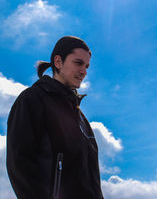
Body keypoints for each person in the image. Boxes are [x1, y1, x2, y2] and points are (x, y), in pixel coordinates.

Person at [6, 36, 104, 199]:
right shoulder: (32, 99)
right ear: (58, 62)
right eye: (78, 63)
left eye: (87, 66)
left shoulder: (81, 119)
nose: (84, 72)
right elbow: (19, 164)